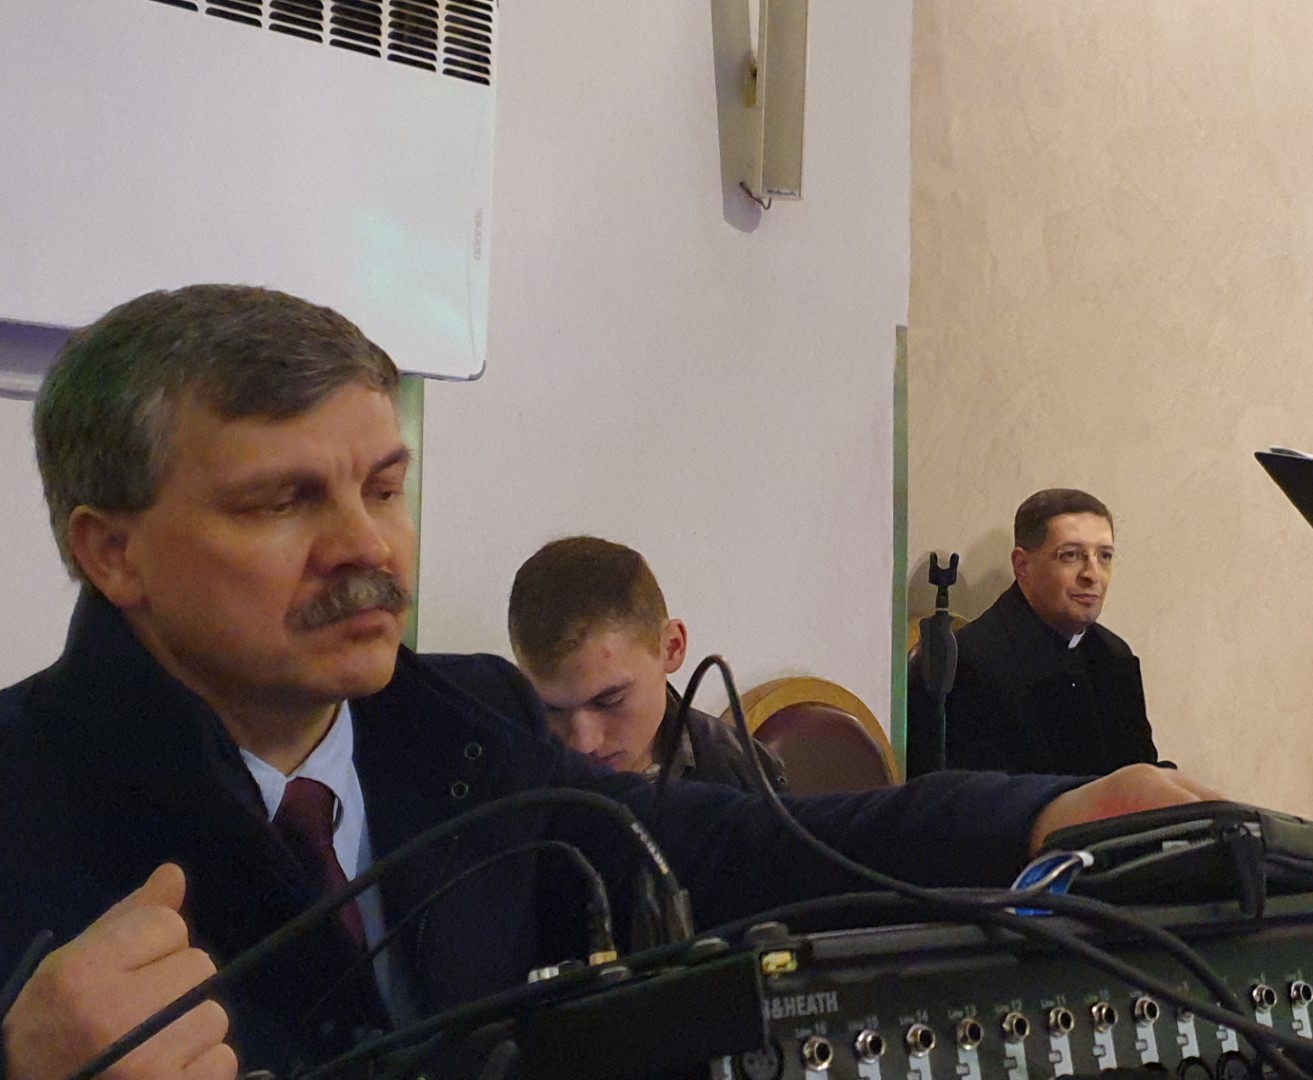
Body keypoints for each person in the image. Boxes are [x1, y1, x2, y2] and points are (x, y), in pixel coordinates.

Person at [0, 285, 1218, 1079]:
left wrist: (1042, 819)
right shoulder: (24, 791)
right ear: (115, 552)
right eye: (282, 501)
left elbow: (734, 848)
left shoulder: (460, 719)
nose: (367, 546)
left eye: (382, 487)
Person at [507, 535, 786, 790]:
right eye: (550, 709)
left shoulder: (749, 777)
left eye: (610, 700)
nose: (583, 744)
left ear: (672, 647)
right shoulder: (500, 784)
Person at [915, 488, 1158, 776]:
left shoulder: (1114, 656)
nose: (1092, 574)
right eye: (1071, 555)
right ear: (1023, 566)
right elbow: (981, 795)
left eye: (1104, 556)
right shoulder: (973, 664)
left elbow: (1141, 770)